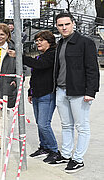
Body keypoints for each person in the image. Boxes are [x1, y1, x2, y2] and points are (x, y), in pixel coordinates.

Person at [48, 12, 100, 173]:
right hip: (62, 90)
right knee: (66, 125)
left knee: (82, 126)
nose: (64, 27)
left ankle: (78, 159)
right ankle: (65, 154)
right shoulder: (60, 44)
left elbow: (92, 69)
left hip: (79, 92)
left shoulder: (86, 42)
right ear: (57, 27)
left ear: (73, 23)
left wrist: (91, 91)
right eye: (60, 25)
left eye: (67, 24)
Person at [8, 30, 59, 162]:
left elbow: (39, 66)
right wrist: (31, 92)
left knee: (44, 124)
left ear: (49, 41)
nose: (38, 43)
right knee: (39, 123)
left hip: (47, 94)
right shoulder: (41, 55)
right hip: (37, 94)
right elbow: (35, 76)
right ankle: (44, 147)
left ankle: (54, 150)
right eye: (36, 40)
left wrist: (19, 56)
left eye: (41, 40)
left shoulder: (52, 54)